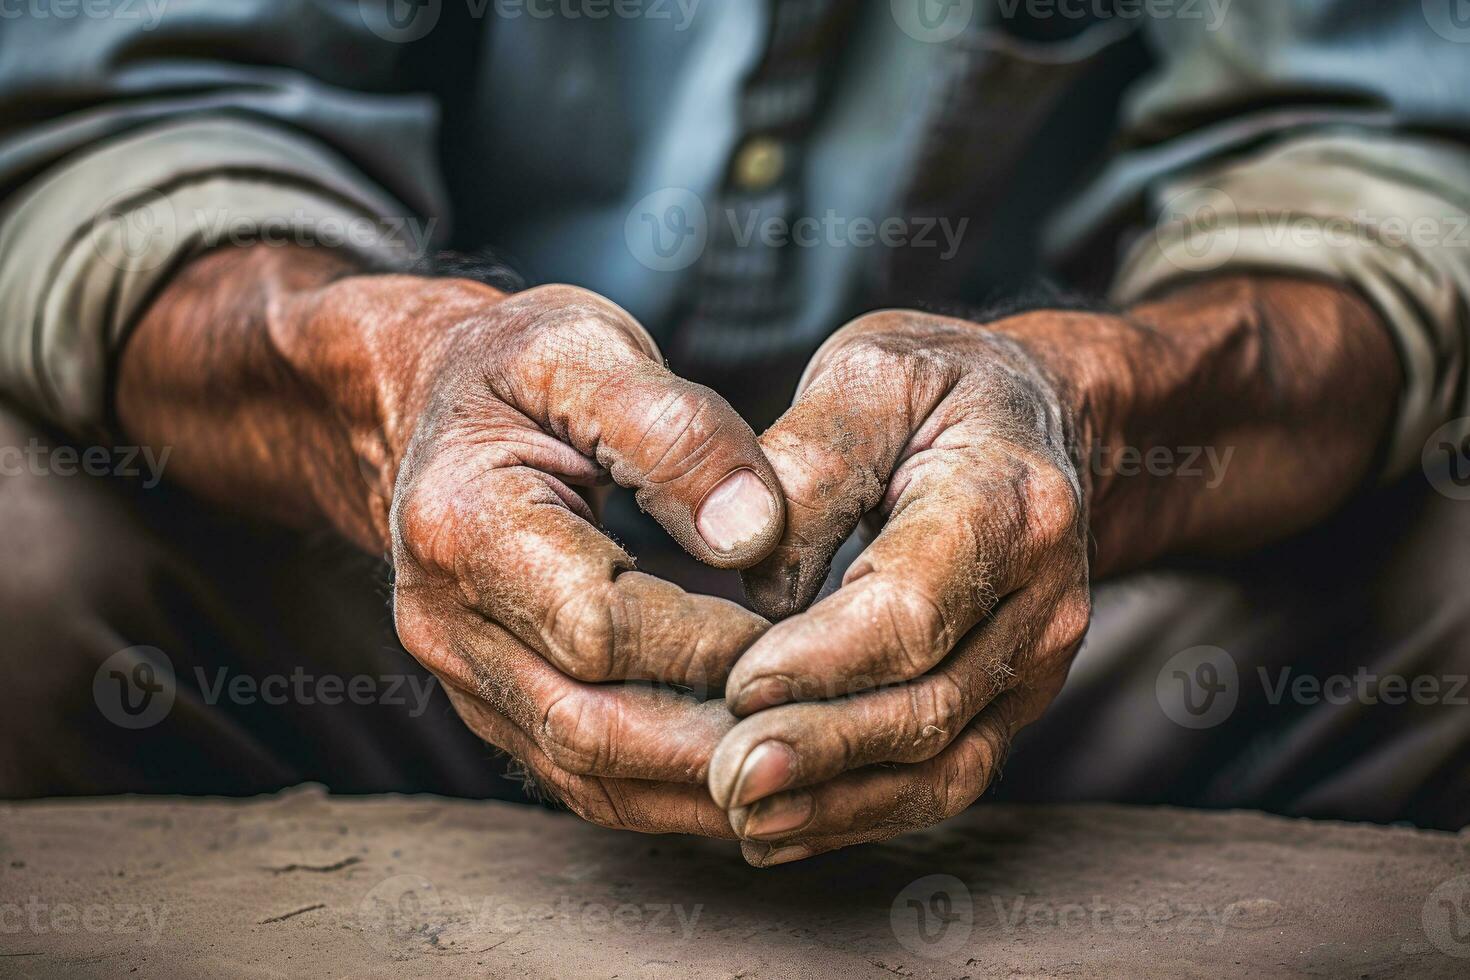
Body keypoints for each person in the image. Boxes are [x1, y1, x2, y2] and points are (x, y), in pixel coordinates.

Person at [1, 0, 1467, 867]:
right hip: (380, 574)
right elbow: (126, 124)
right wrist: (397, 387)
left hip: (1062, 597)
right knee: (26, 549)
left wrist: (1080, 407)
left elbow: (1372, 158)